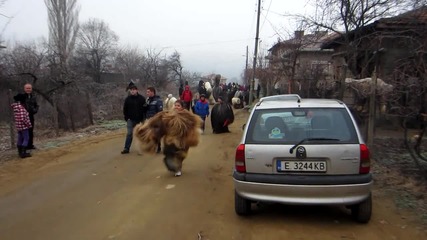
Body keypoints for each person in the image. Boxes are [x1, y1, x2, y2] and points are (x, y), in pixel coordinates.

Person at [121, 85, 147, 154]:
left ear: (137, 90)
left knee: (140, 134)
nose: (132, 91)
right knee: (129, 133)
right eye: (131, 90)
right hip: (130, 119)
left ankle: (141, 148)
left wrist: (144, 118)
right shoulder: (127, 99)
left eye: (134, 89)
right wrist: (126, 117)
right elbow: (125, 109)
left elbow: (145, 109)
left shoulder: (142, 98)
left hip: (140, 119)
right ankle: (126, 148)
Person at [11, 93, 32, 158]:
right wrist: (29, 124)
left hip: (18, 125)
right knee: (26, 138)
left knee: (20, 138)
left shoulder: (15, 107)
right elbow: (23, 118)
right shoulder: (21, 108)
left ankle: (20, 152)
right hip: (24, 126)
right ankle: (23, 152)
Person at [146, 86, 163, 153]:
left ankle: (158, 147)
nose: (147, 93)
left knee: (156, 134)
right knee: (150, 134)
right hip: (149, 119)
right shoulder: (147, 100)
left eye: (148, 92)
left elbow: (160, 111)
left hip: (156, 120)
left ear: (152, 92)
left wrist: (157, 119)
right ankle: (152, 146)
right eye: (147, 92)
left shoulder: (158, 100)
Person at [22, 83, 39, 149]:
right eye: (27, 88)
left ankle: (30, 145)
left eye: (29, 88)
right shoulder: (22, 97)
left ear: (31, 89)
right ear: (24, 89)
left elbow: (36, 105)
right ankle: (24, 146)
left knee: (31, 130)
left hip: (31, 116)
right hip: (24, 116)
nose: (28, 89)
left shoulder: (33, 97)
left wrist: (35, 110)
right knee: (25, 131)